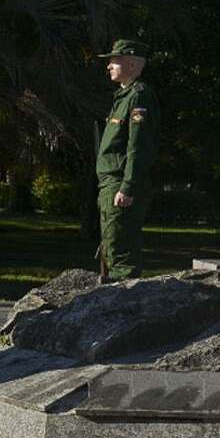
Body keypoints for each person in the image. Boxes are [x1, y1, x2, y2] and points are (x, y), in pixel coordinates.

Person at [94, 40, 158, 281]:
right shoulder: (123, 97)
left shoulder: (139, 96)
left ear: (131, 63)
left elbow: (137, 146)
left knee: (121, 253)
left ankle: (124, 308)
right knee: (111, 247)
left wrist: (128, 186)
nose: (109, 66)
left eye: (114, 60)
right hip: (111, 183)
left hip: (121, 183)